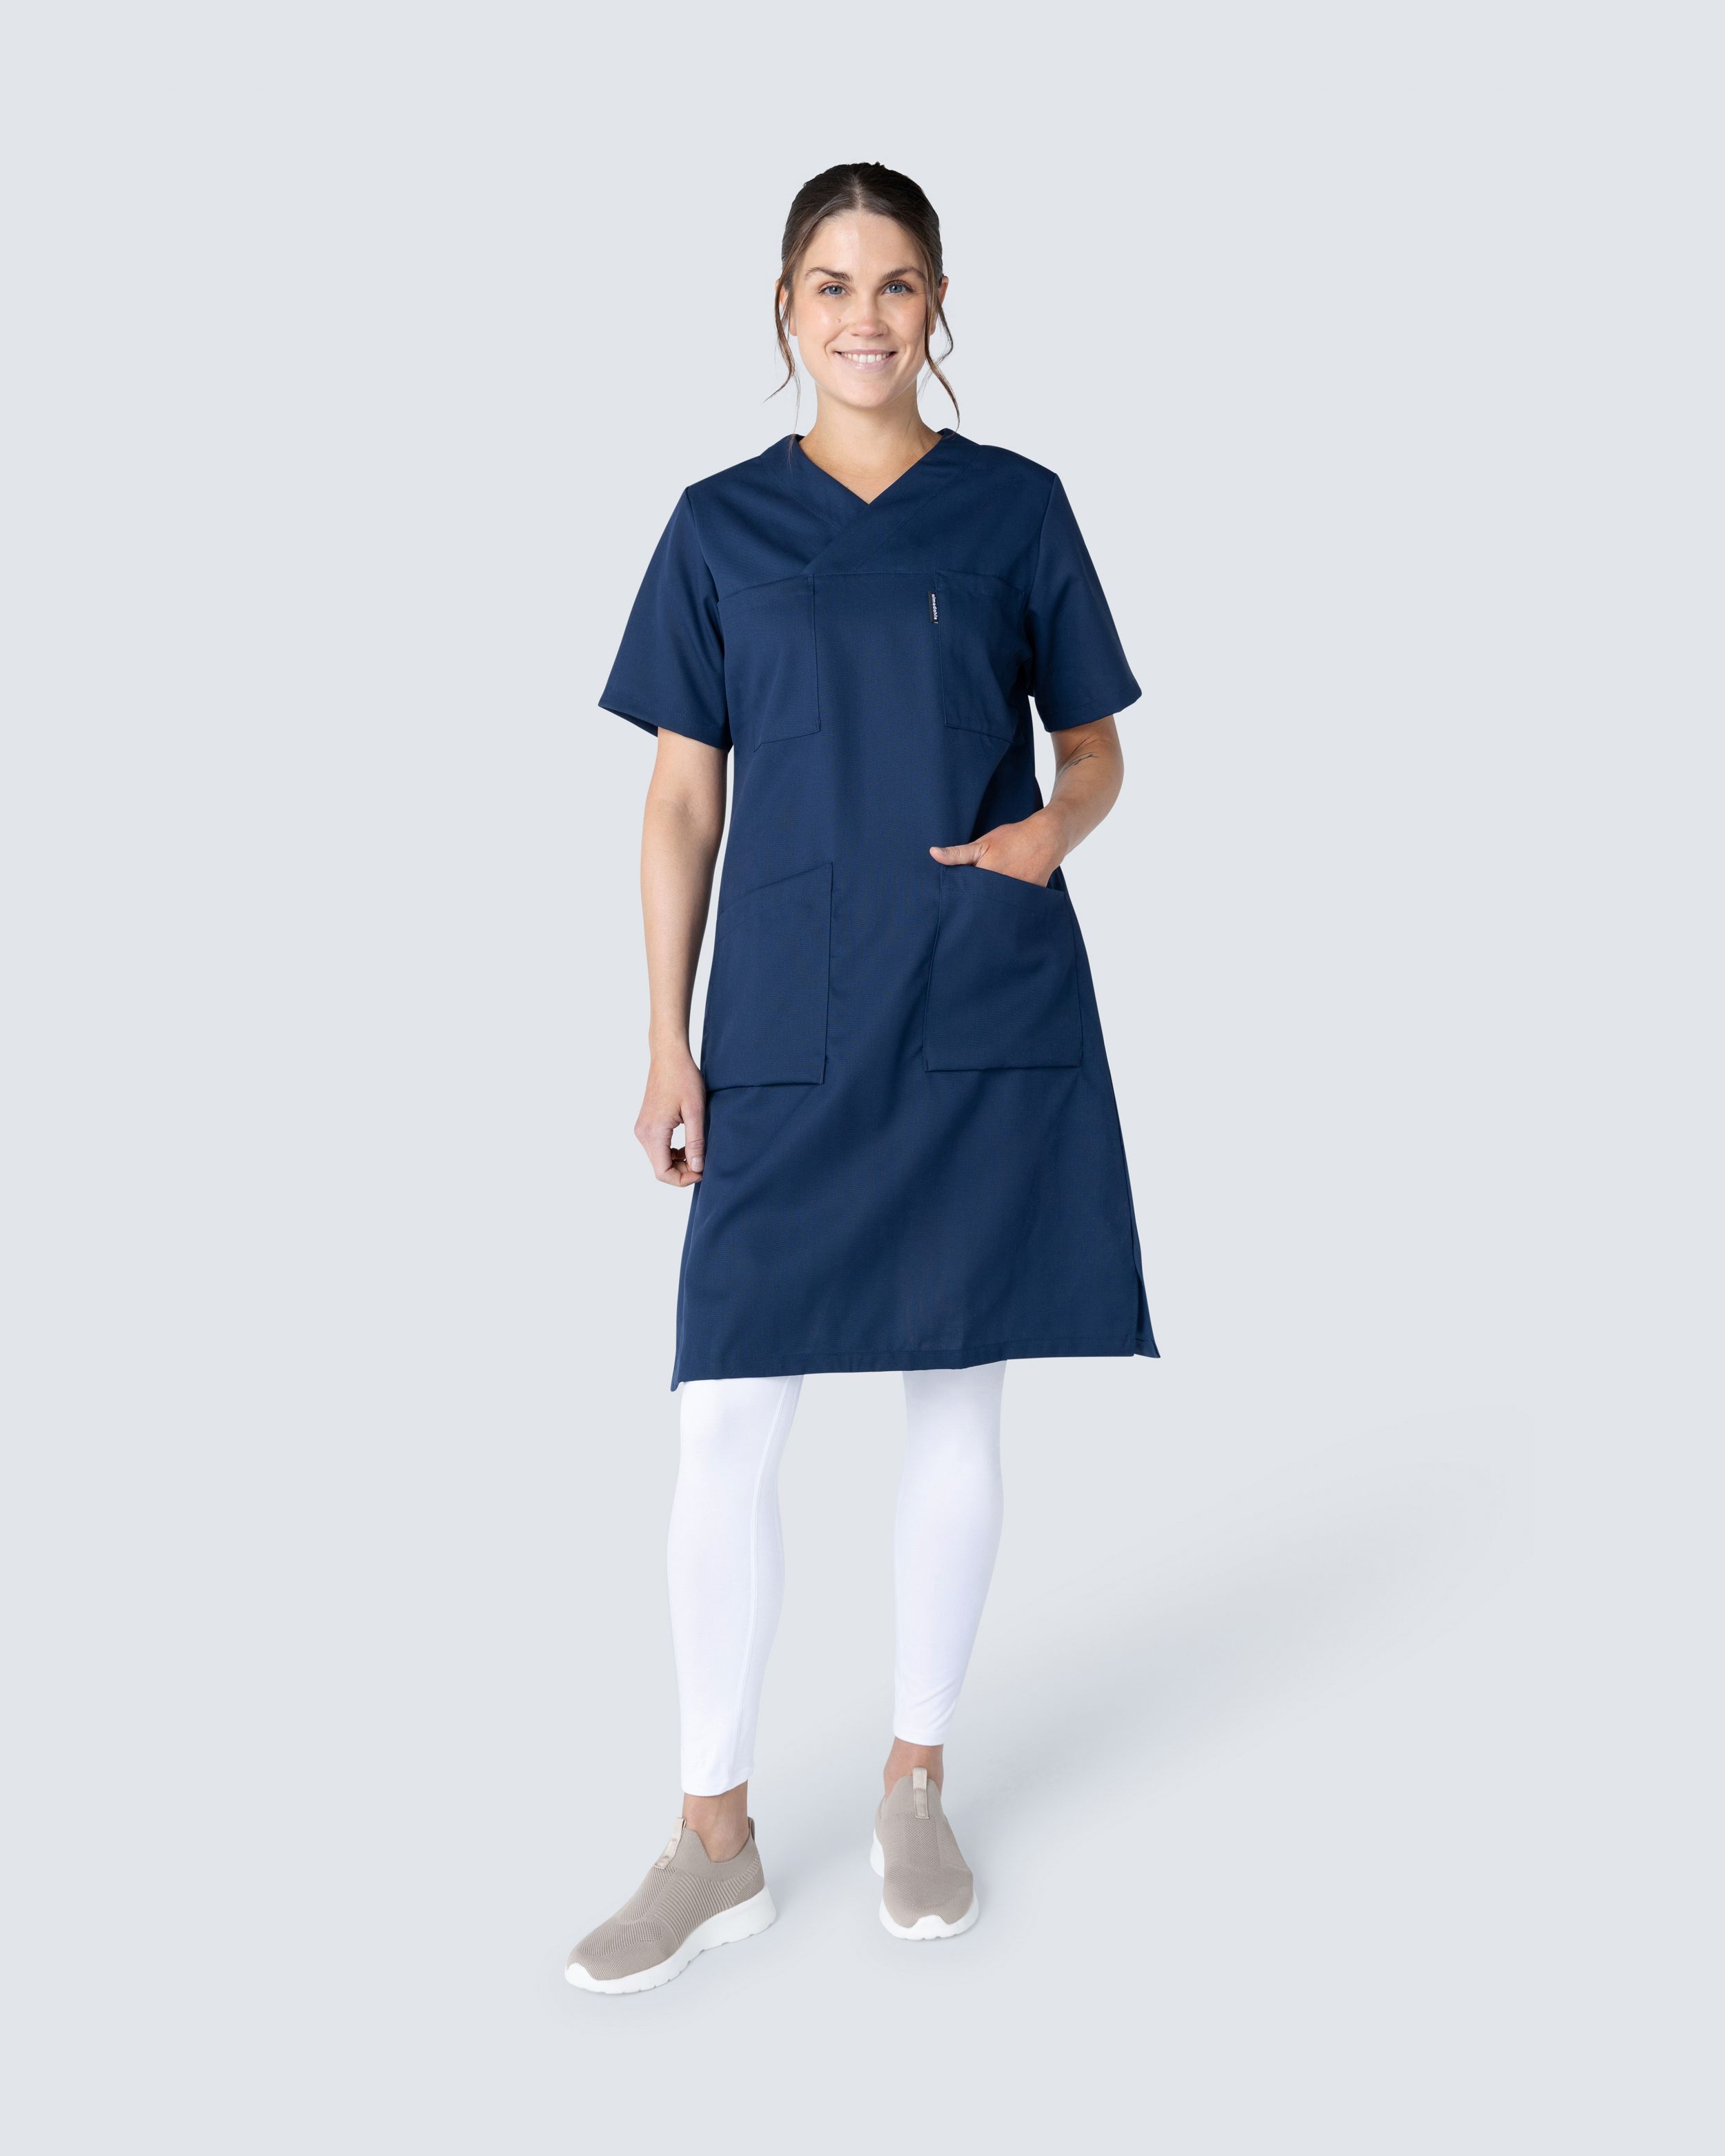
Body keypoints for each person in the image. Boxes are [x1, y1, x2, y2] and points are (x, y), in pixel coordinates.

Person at [566, 162, 1156, 1995]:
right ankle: (713, 1840)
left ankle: (915, 1783)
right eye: (831, 283)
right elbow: (682, 799)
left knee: (955, 1391)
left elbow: (1095, 750)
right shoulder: (718, 527)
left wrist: (1049, 836)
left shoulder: (1016, 509)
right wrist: (666, 1035)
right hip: (783, 1022)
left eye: (895, 283)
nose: (864, 316)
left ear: (938, 303)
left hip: (974, 997)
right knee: (724, 1422)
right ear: (783, 306)